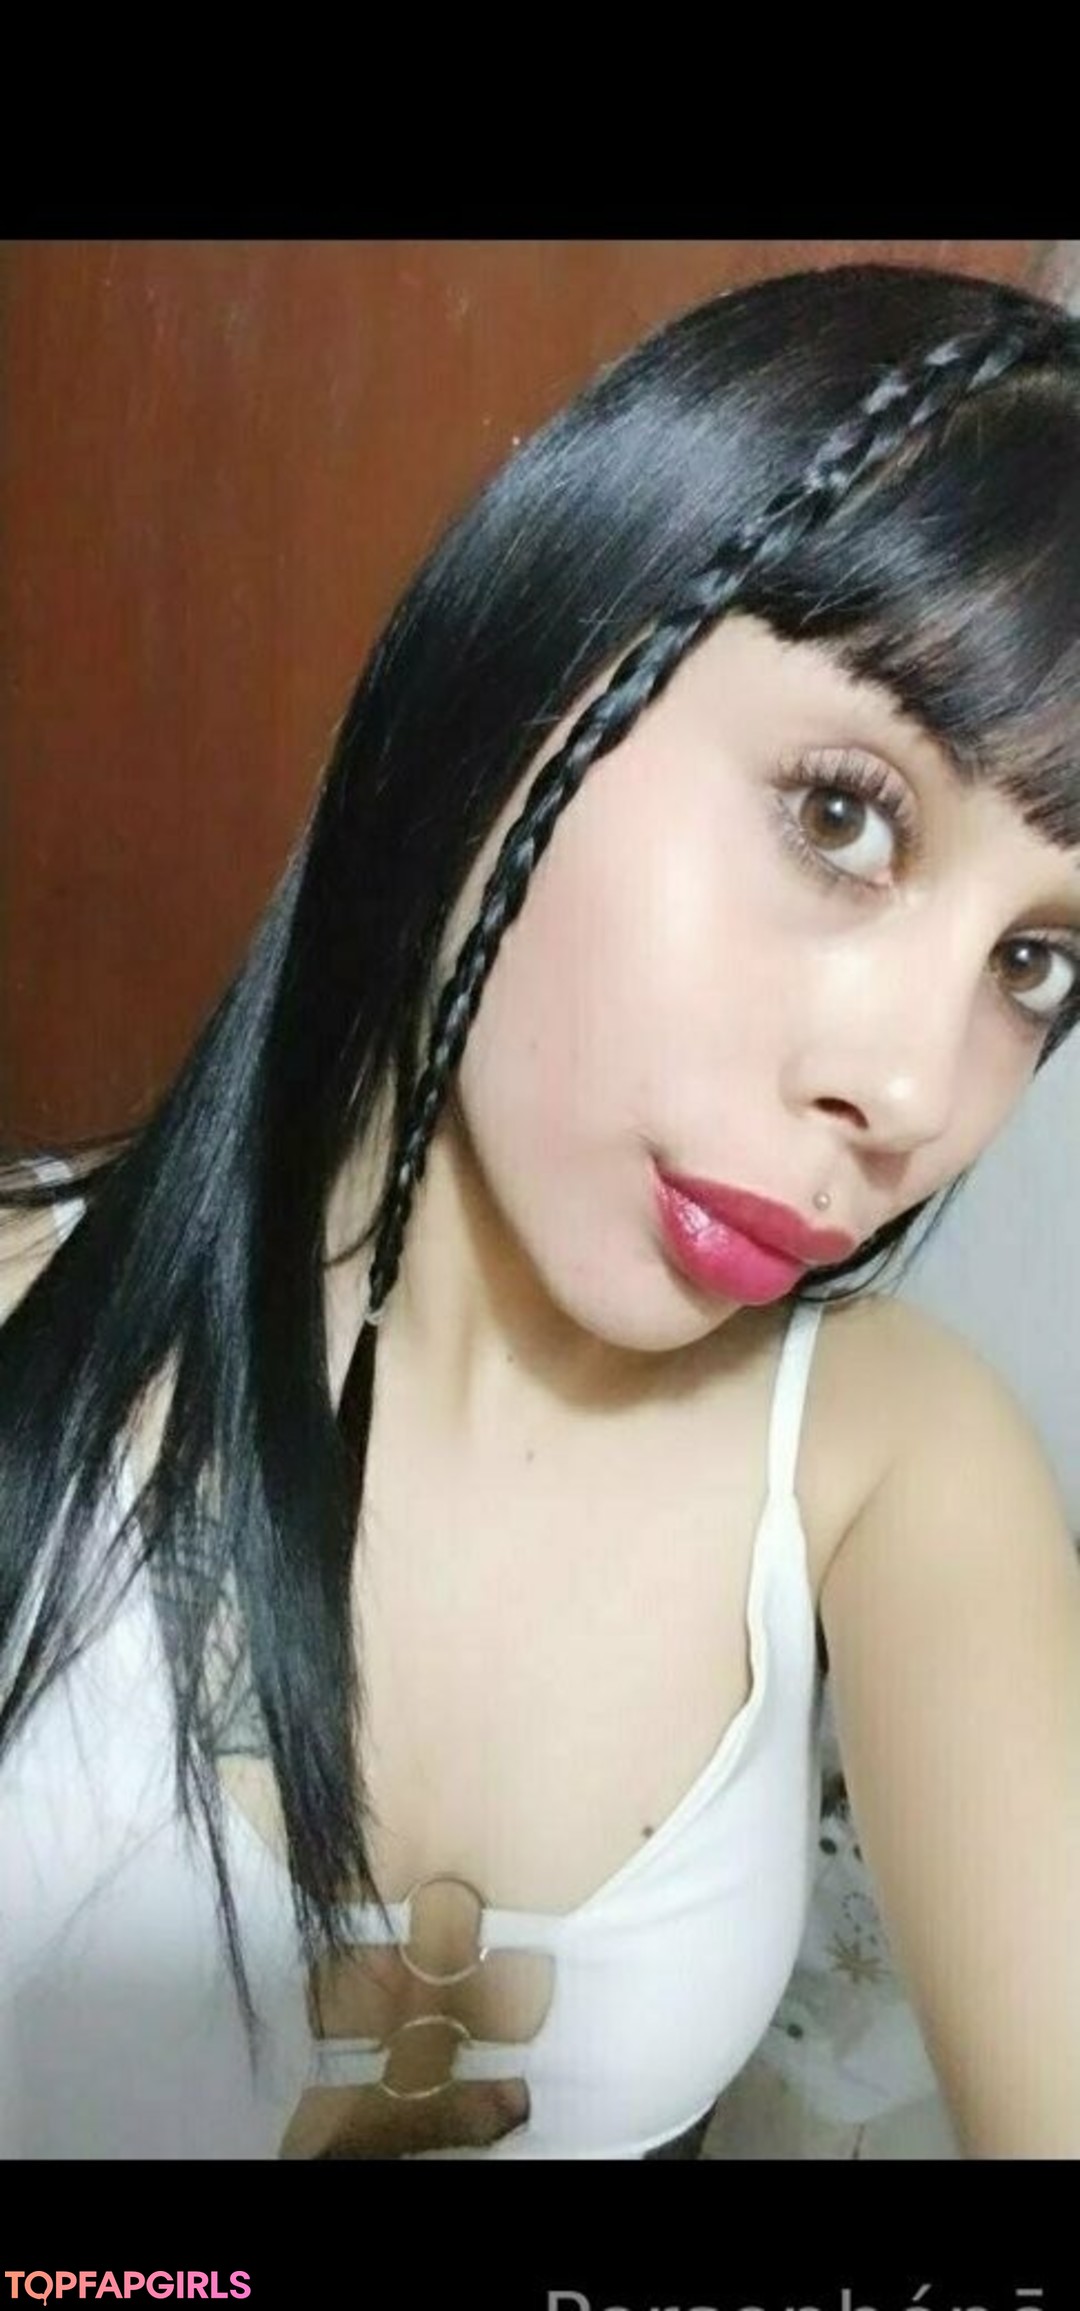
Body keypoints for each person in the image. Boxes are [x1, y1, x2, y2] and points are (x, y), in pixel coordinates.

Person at [2, 260, 1080, 2163]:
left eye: (1036, 961)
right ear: (529, 672)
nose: (919, 1095)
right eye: (843, 813)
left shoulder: (896, 1464)